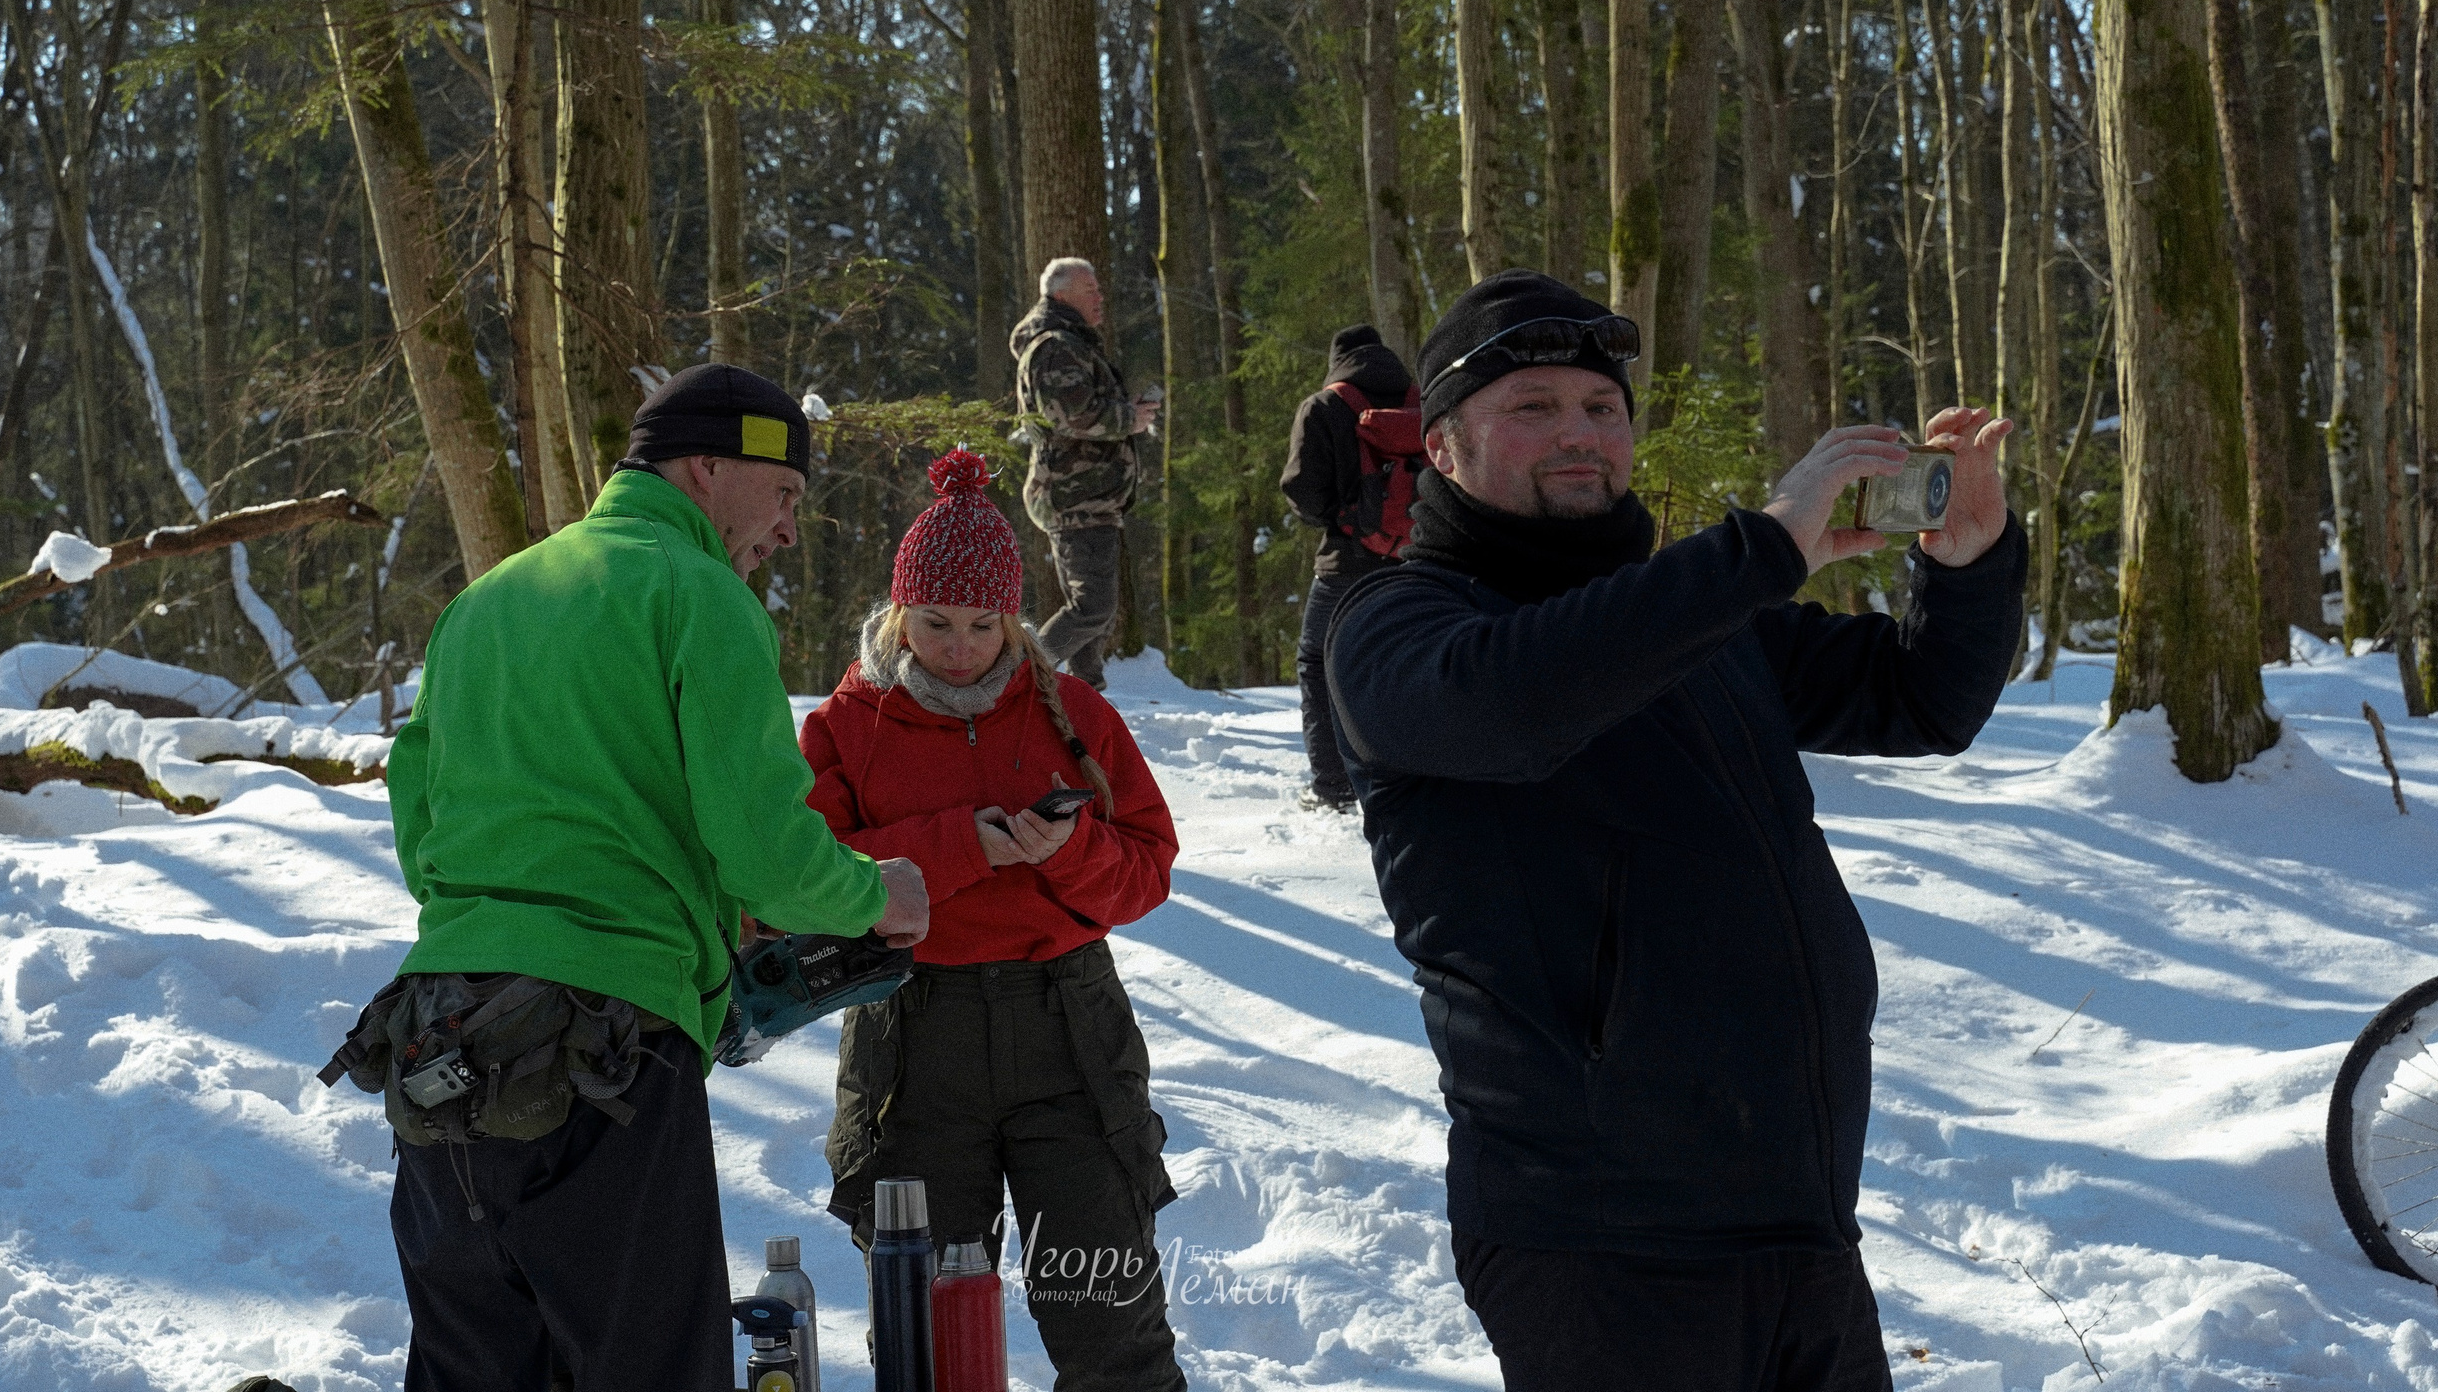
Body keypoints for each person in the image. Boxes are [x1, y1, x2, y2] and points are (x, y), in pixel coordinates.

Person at [1326, 270, 2026, 1391]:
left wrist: (1969, 564)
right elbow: (1512, 701)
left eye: (1601, 408)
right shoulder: (1398, 622)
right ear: (1444, 451)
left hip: (1798, 1217)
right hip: (1599, 1241)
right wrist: (1759, 548)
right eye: (1533, 407)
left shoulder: (1694, 613)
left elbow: (1920, 700)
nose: (1579, 433)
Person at [382, 363, 932, 1391]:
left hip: (439, 1038)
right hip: (606, 1048)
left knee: (476, 1370)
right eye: (785, 495)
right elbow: (766, 851)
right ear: (708, 464)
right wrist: (874, 894)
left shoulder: (485, 602)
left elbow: (421, 831)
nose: (787, 529)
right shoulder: (698, 594)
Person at [803, 448, 1187, 1391]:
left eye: (984, 623)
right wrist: (963, 844)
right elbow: (807, 885)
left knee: (1108, 1317)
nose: (961, 644)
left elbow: (1146, 872)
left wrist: (1069, 853)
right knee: (927, 1330)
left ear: (1014, 617)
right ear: (898, 612)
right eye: (935, 622)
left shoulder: (1074, 714)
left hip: (1069, 1028)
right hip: (911, 1032)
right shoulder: (848, 726)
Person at [1279, 323, 1418, 812]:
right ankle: (1411, 774)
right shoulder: (1422, 399)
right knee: (1408, 663)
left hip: (1346, 562)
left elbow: (1300, 488)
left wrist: (1342, 521)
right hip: (1419, 560)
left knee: (1318, 663)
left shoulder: (1324, 406)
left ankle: (1333, 788)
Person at [1013, 256, 1158, 690]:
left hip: (1088, 493)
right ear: (1061, 295)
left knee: (1091, 612)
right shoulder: (1055, 345)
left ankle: (1085, 697)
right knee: (1093, 609)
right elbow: (1069, 415)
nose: (1100, 297)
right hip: (1076, 495)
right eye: (1090, 289)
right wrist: (1128, 418)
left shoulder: (1069, 342)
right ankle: (1016, 679)